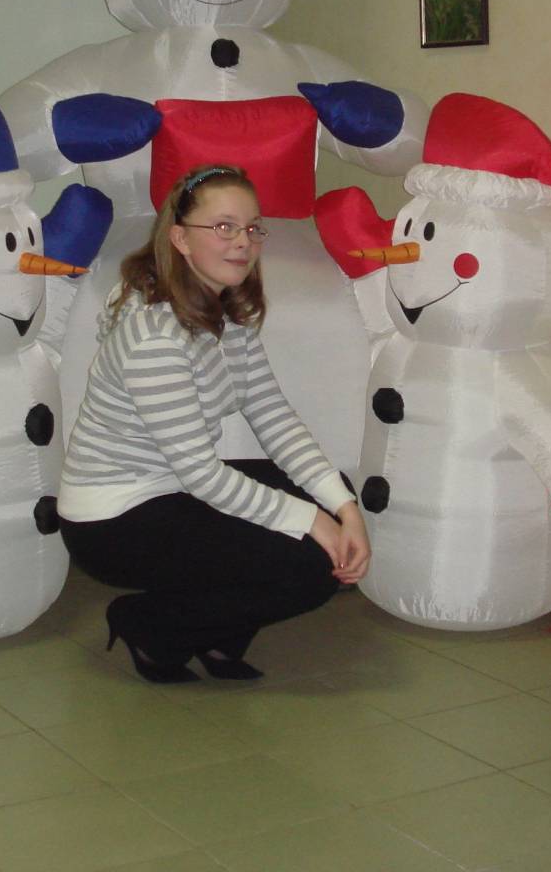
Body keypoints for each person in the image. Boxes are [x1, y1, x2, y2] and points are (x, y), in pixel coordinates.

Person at [58, 164, 371, 682]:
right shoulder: (154, 336)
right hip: (114, 518)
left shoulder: (226, 312)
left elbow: (273, 416)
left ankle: (215, 637)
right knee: (310, 564)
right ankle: (149, 624)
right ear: (180, 238)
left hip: (173, 487)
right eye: (223, 227)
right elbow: (203, 475)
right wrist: (314, 522)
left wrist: (343, 507)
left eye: (252, 228)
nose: (242, 242)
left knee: (331, 489)